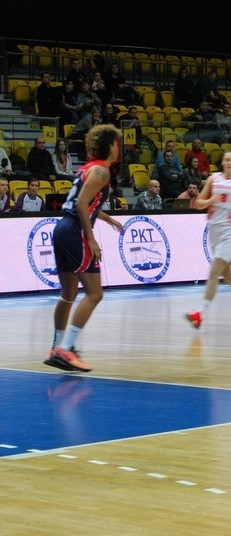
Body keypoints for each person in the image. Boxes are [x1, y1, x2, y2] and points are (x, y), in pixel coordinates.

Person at [44, 124, 124, 373]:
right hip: (76, 230)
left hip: (62, 228)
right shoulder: (101, 170)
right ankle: (66, 349)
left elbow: (85, 202)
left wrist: (108, 219)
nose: (119, 147)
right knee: (95, 293)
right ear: (110, 145)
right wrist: (90, 239)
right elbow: (81, 203)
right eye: (117, 142)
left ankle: (56, 348)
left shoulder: (88, 169)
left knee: (68, 293)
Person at [186, 150, 231, 329]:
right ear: (223, 162)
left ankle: (200, 314)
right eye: (226, 159)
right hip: (214, 229)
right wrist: (211, 199)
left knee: (214, 272)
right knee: (226, 273)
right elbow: (198, 204)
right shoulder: (213, 179)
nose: (229, 162)